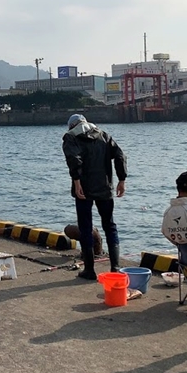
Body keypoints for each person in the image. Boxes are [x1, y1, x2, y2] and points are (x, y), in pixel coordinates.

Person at [62, 113, 127, 281]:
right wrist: (122, 179)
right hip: (105, 187)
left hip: (83, 189)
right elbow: (120, 155)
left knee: (85, 228)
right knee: (110, 225)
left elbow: (74, 159)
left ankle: (89, 270)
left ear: (71, 126)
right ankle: (115, 268)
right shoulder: (103, 135)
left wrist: (77, 181)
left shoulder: (71, 137)